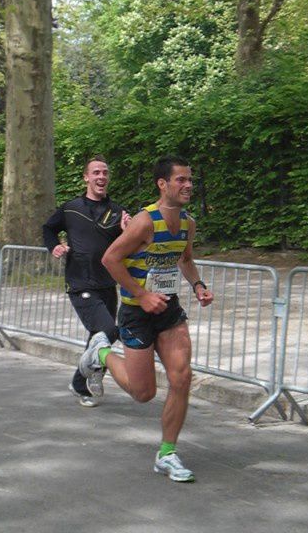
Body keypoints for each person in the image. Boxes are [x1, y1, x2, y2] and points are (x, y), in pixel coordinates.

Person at [79, 156, 214, 483]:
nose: (188, 186)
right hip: (136, 313)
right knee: (144, 394)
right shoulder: (144, 222)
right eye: (181, 180)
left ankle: (167, 454)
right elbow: (110, 259)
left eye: (190, 180)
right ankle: (100, 353)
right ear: (162, 184)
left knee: (182, 376)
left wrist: (198, 285)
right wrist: (141, 294)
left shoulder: (187, 223)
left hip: (168, 310)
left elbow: (185, 258)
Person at [42, 154, 130, 408]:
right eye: (96, 173)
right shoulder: (70, 208)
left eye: (104, 172)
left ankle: (81, 383)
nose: (101, 177)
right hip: (80, 282)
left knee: (97, 335)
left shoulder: (117, 211)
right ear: (86, 177)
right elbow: (48, 228)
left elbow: (128, 244)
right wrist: (54, 247)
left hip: (107, 283)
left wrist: (127, 232)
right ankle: (90, 376)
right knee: (110, 331)